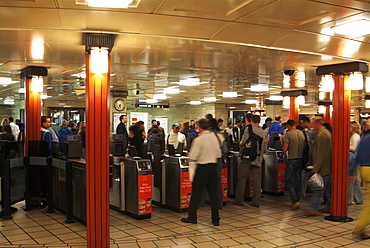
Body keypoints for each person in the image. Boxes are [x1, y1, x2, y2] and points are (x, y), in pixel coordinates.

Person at [181, 119, 222, 226]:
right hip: (213, 168)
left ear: (199, 127)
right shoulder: (215, 137)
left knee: (197, 194)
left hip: (202, 169)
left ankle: (192, 217)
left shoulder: (199, 140)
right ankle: (215, 218)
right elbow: (218, 154)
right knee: (213, 195)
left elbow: (193, 156)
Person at [232, 115, 268, 208]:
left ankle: (239, 200)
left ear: (251, 120)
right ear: (259, 121)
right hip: (258, 159)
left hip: (247, 158)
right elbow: (265, 149)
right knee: (256, 180)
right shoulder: (264, 133)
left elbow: (243, 142)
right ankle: (256, 201)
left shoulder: (249, 129)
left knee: (242, 178)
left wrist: (241, 145)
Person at [305, 117, 332, 216]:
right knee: (326, 188)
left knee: (318, 188)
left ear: (318, 123)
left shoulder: (322, 135)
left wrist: (315, 168)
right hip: (326, 166)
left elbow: (321, 153)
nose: (312, 126)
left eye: (313, 123)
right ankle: (329, 205)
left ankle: (314, 208)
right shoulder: (325, 133)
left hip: (323, 167)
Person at [282, 119, 306, 210]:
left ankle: (294, 200)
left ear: (288, 126)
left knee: (288, 180)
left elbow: (285, 149)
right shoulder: (301, 133)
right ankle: (298, 199)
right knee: (298, 180)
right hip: (300, 158)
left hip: (292, 158)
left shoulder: (288, 134)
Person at [352, 134, 370, 239]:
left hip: (364, 170)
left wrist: (351, 171)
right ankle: (360, 227)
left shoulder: (366, 138)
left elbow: (357, 155)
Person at [348, 122, 363, 205]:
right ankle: (359, 198)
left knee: (351, 180)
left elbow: (353, 148)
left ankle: (349, 199)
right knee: (356, 180)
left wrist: (346, 146)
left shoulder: (354, 137)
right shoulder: (356, 136)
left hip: (352, 159)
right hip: (355, 159)